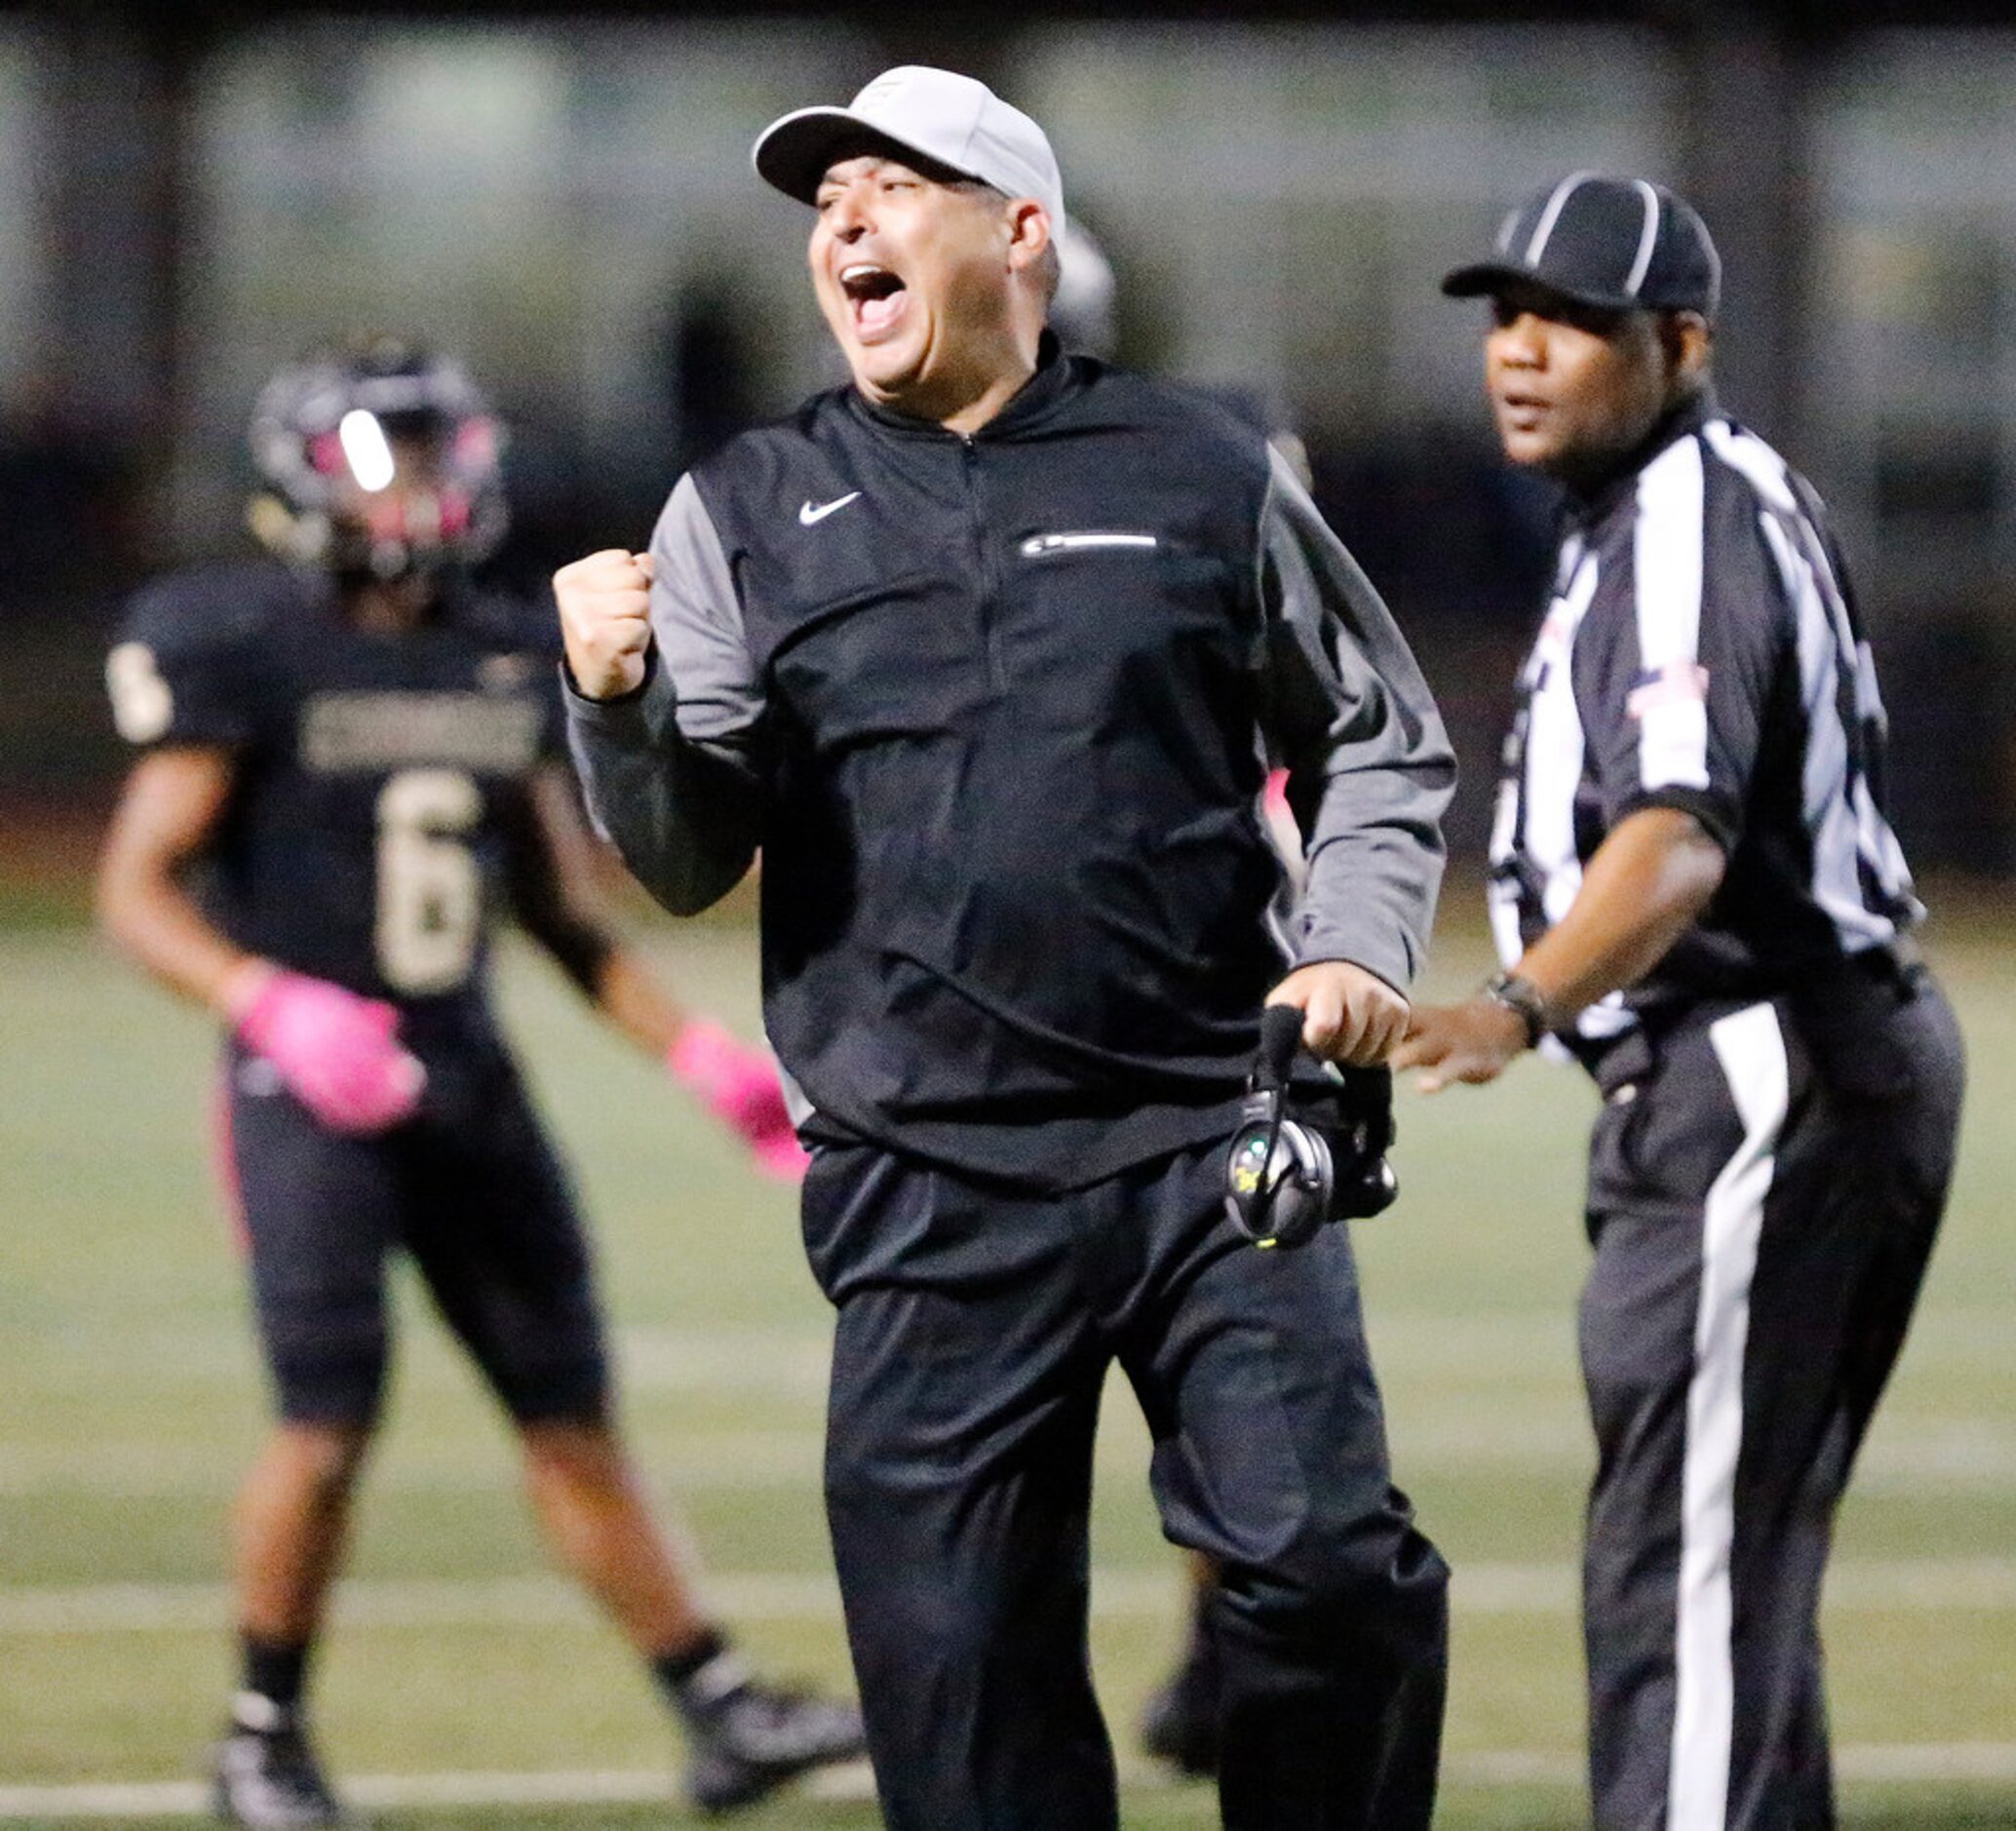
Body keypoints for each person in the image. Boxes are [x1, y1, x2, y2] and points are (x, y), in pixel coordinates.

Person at [555, 64, 1454, 1831]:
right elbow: (684, 857)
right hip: (925, 1180)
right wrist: (616, 704)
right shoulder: (741, 502)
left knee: (1334, 1577)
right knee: (963, 1703)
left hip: (1211, 1136)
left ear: (1020, 231)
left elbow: (1379, 734)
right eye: (826, 207)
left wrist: (1350, 946)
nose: (844, 227)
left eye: (891, 189)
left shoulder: (1203, 467)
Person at [95, 339, 865, 1827]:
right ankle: (262, 1730)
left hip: (467, 1080)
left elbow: (566, 917)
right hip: (305, 1093)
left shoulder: (502, 647)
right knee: (327, 1418)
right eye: (387, 455)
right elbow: (136, 889)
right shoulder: (240, 639)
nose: (423, 487)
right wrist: (272, 1002)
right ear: (301, 474)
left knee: (569, 1405)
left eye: (438, 452)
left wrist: (705, 1058)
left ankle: (714, 1704)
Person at [1397, 176, 1965, 1828]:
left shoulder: (1684, 522)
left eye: (1569, 321)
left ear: (1682, 342)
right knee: (1726, 1567)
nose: (1520, 352)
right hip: (1779, 1070)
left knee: (1686, 1573)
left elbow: (1673, 844)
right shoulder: (1659, 508)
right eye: (1506, 316)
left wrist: (1509, 1004)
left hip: (1765, 1064)